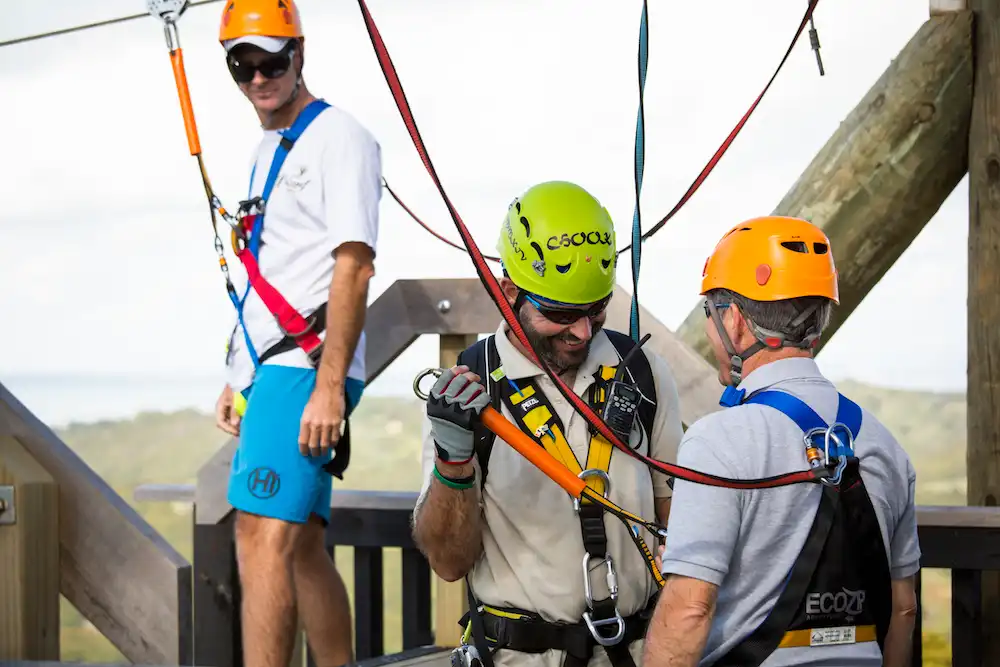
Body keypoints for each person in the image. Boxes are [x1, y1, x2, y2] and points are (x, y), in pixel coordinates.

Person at [412, 181, 685, 667]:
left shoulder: (642, 374)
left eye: (596, 309)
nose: (581, 332)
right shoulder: (472, 392)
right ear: (509, 291)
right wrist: (452, 460)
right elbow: (449, 563)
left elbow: (677, 527)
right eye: (560, 313)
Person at [643, 216, 921, 667]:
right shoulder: (884, 445)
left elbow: (691, 608)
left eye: (710, 315)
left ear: (733, 321)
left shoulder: (717, 442)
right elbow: (903, 607)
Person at [210, 1, 382, 666]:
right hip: (275, 368)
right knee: (302, 543)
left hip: (307, 369)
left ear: (299, 53)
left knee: (258, 538)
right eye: (242, 65)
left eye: (271, 59)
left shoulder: (340, 138)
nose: (259, 77)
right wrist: (236, 373)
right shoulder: (264, 151)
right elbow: (271, 272)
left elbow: (355, 264)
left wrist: (330, 386)